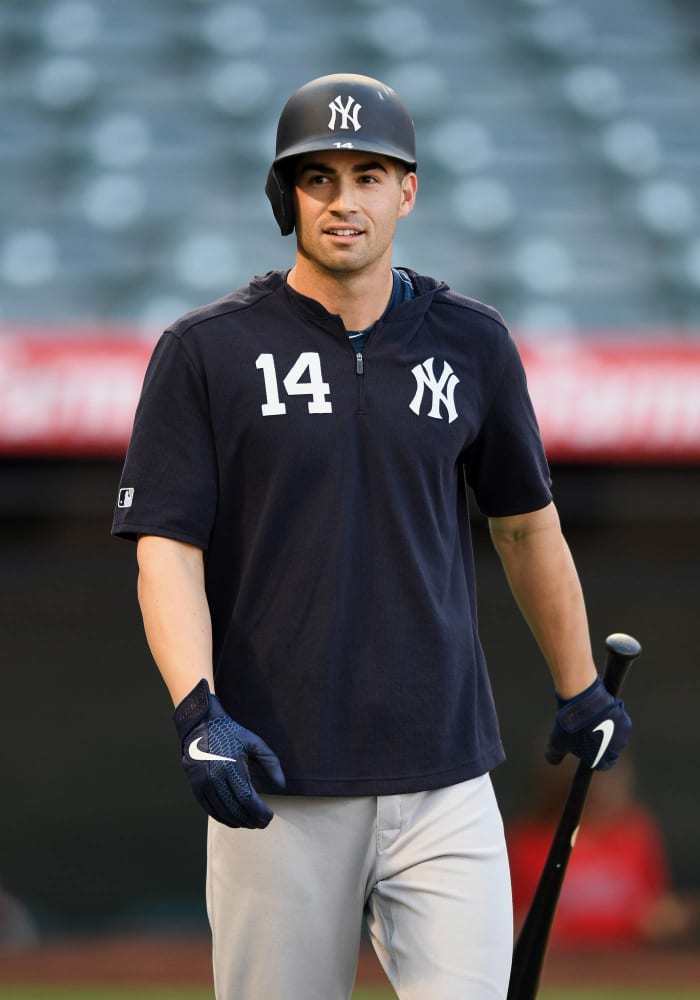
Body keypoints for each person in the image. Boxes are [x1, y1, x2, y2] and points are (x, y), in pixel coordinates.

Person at [112, 73, 632, 1000]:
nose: (343, 199)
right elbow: (166, 549)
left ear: (408, 190)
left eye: (367, 173)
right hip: (277, 780)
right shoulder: (206, 351)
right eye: (317, 178)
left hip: (445, 777)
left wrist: (580, 684)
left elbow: (525, 527)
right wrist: (199, 713)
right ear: (287, 196)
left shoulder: (474, 342)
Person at [508, 754, 697, 950]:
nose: (604, 788)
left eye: (611, 777)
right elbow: (520, 921)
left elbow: (655, 911)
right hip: (558, 966)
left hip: (629, 963)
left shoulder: (635, 831)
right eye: (595, 778)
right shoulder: (529, 839)